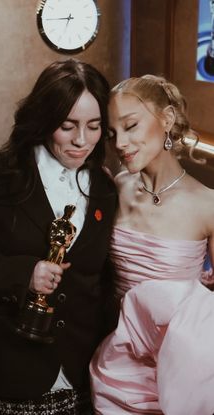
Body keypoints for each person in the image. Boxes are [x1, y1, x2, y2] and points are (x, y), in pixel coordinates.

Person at [0, 58, 117, 414]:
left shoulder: (106, 187)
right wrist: (25, 273)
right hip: (13, 368)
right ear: (43, 119)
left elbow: (106, 277)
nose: (81, 140)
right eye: (67, 125)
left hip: (89, 369)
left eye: (94, 126)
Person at [90, 74, 214, 414]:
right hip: (119, 362)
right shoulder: (116, 187)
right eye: (113, 133)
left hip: (185, 367)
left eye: (131, 126)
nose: (120, 143)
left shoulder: (208, 205)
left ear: (167, 119)